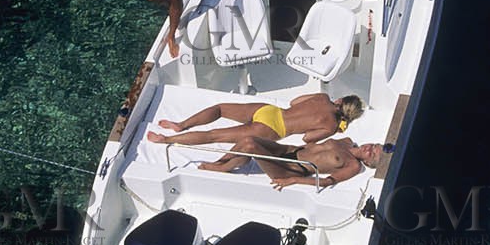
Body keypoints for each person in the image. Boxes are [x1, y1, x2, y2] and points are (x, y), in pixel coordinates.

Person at [146, 93, 365, 147]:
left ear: (340, 99)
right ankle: (165, 140)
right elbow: (308, 138)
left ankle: (181, 125)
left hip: (271, 111)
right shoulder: (331, 125)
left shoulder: (323, 97)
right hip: (275, 129)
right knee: (215, 136)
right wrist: (335, 130)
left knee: (220, 109)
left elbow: (294, 102)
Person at [198, 134, 384, 189]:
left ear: (368, 163)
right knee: (248, 138)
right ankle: (221, 161)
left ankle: (222, 168)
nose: (369, 149)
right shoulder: (348, 140)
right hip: (289, 150)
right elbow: (312, 142)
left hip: (290, 168)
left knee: (249, 145)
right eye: (373, 145)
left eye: (372, 155)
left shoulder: (353, 166)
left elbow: (328, 181)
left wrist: (293, 180)